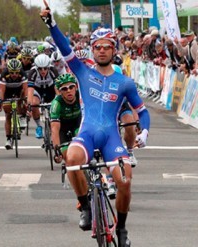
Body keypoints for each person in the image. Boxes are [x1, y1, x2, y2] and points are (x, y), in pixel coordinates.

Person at [40, 4, 150, 247]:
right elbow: (64, 47)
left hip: (112, 140)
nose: (101, 51)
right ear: (92, 50)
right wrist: (51, 23)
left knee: (125, 180)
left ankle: (121, 228)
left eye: (106, 47)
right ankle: (86, 206)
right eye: (97, 47)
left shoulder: (125, 82)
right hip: (87, 134)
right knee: (71, 158)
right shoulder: (82, 72)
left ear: (114, 50)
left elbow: (142, 111)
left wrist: (145, 132)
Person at [0, 59, 28, 149]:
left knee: (23, 98)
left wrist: (26, 102)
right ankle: (8, 138)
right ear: (8, 71)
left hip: (19, 90)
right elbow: (2, 90)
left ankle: (22, 116)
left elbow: (26, 89)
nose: (14, 74)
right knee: (8, 115)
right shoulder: (4, 74)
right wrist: (0, 102)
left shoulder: (23, 73)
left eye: (16, 72)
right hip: (8, 91)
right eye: (12, 72)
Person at [50, 74, 81, 163]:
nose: (68, 91)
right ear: (60, 92)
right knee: (68, 158)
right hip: (63, 128)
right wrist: (57, 152)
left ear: (76, 87)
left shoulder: (81, 96)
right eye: (64, 89)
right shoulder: (56, 104)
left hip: (78, 124)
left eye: (71, 87)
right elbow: (54, 129)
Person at [27, 53, 59, 139]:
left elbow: (57, 88)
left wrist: (59, 100)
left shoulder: (53, 70)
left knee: (56, 105)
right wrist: (29, 104)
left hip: (50, 90)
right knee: (34, 104)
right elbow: (30, 90)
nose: (43, 71)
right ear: (37, 68)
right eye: (40, 69)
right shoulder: (32, 72)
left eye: (45, 68)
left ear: (48, 67)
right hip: (37, 90)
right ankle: (39, 126)